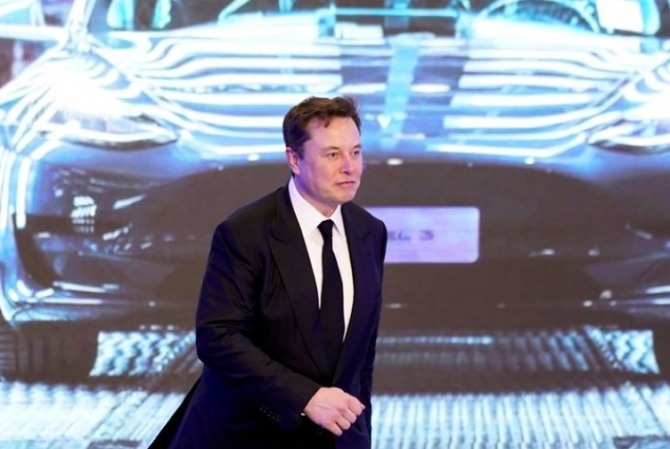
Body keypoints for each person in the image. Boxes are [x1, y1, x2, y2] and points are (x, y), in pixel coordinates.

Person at [161, 96, 387, 449]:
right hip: (248, 436)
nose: (350, 167)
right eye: (332, 154)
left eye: (355, 152)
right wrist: (306, 398)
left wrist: (359, 436)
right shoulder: (245, 232)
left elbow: (361, 356)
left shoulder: (369, 231)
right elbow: (218, 337)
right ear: (294, 159)